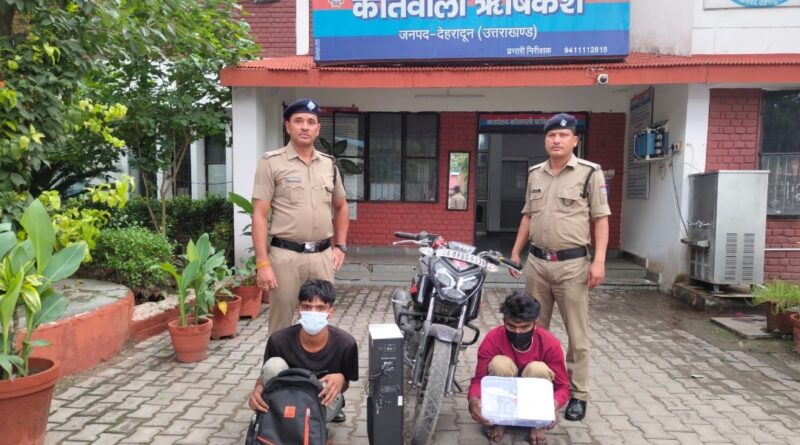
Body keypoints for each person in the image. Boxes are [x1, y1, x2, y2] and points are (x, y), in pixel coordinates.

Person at [508, 112, 610, 422]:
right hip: (537, 264)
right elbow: (528, 215)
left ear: (574, 140)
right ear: (545, 140)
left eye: (564, 135)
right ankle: (536, 387)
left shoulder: (590, 174)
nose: (557, 140)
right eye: (552, 135)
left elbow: (601, 219)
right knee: (532, 330)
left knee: (577, 335)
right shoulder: (535, 174)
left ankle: (578, 395)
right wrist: (515, 252)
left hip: (572, 266)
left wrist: (599, 262)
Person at [251, 98, 349, 335]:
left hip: (322, 257)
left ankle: (317, 360)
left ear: (318, 129)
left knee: (319, 321)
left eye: (311, 122)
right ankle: (277, 360)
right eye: (298, 121)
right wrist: (263, 263)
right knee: (281, 324)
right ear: (288, 126)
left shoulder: (329, 165)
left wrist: (341, 246)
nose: (305, 126)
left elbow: (341, 206)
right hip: (286, 257)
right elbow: (260, 215)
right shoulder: (271, 163)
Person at [248, 279, 359, 425]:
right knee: (274, 364)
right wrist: (258, 389)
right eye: (307, 307)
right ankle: (295, 423)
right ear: (298, 309)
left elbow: (344, 385)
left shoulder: (346, 344)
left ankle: (293, 423)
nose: (313, 313)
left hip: (320, 399)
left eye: (320, 308)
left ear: (330, 312)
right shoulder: (278, 340)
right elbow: (266, 375)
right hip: (287, 397)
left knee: (328, 393)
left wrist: (341, 378)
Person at [467, 291, 569, 445]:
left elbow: (563, 386)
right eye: (511, 326)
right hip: (505, 390)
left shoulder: (550, 343)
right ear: (504, 321)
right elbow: (479, 379)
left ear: (535, 323)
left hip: (533, 391)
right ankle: (501, 419)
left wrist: (554, 404)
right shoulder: (492, 339)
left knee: (538, 369)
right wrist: (473, 400)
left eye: (525, 327)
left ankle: (537, 422)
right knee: (500, 364)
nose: (517, 332)